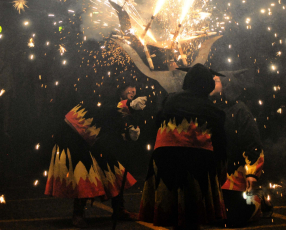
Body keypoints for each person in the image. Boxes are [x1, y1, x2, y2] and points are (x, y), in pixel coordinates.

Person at [44, 81, 147, 228]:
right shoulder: (107, 97)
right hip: (73, 135)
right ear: (120, 88)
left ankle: (119, 210)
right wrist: (128, 106)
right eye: (129, 88)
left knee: (113, 168)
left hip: (90, 138)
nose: (133, 91)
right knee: (85, 172)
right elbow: (104, 111)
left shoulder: (123, 105)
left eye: (135, 88)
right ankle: (77, 214)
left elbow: (111, 129)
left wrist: (127, 133)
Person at [139, 63, 227, 230]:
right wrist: (220, 173)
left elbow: (156, 127)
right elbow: (221, 146)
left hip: (164, 161)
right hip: (196, 164)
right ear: (207, 84)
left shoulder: (169, 99)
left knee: (172, 214)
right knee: (192, 216)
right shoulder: (214, 111)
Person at [210, 75, 272, 228]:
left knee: (232, 218)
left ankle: (257, 200)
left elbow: (253, 145)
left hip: (232, 177)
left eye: (216, 80)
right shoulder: (209, 107)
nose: (211, 82)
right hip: (211, 177)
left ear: (226, 85)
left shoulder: (239, 111)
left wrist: (252, 174)